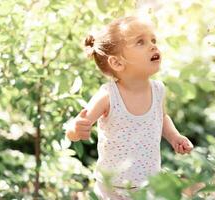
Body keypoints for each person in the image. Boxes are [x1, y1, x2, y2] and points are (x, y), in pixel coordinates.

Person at [65, 15, 194, 200]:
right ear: (117, 63)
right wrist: (75, 129)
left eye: (153, 40)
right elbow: (75, 129)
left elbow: (162, 117)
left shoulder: (158, 90)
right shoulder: (108, 96)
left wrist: (174, 137)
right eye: (140, 42)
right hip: (112, 189)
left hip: (149, 184)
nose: (153, 46)